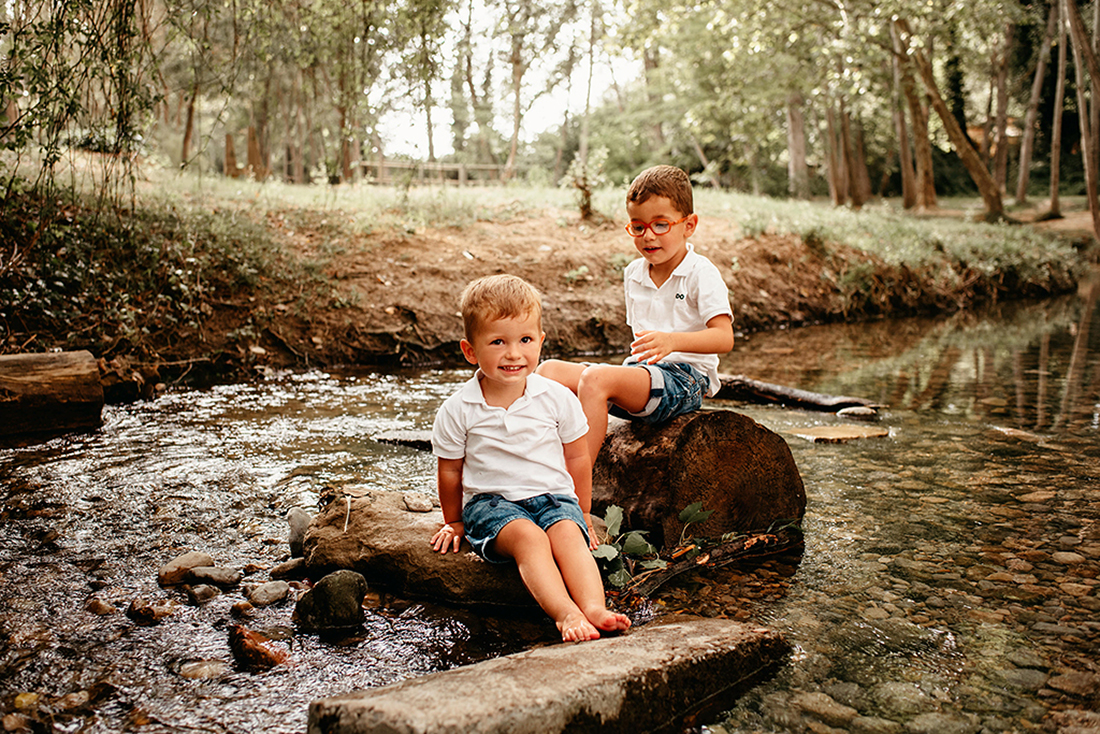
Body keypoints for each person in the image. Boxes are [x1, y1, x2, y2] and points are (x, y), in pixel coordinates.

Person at [429, 274, 632, 642]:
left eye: (525, 340)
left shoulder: (555, 397)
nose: (513, 353)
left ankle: (595, 608)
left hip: (553, 497)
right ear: (470, 350)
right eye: (497, 342)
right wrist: (454, 522)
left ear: (540, 341)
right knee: (531, 539)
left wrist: (583, 512)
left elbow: (577, 458)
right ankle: (565, 613)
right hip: (492, 505)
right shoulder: (459, 408)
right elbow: (450, 472)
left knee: (568, 534)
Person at [537, 164, 735, 461]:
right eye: (638, 226)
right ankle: (534, 468)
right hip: (641, 375)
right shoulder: (634, 274)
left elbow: (724, 338)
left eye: (660, 225)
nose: (648, 236)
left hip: (685, 380)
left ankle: (578, 492)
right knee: (547, 371)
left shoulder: (700, 273)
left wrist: (671, 341)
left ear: (689, 225)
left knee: (595, 380)